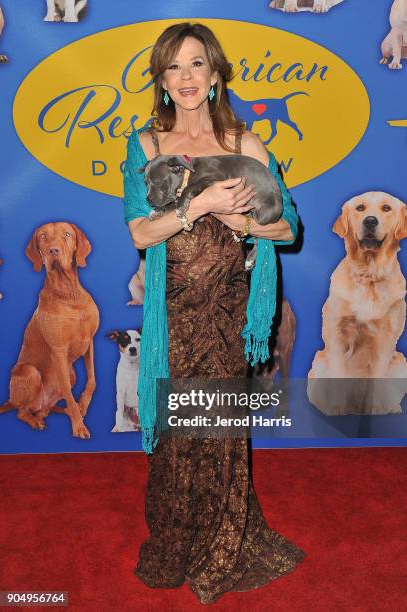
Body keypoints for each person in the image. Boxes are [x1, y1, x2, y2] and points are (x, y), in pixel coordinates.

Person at [123, 22, 306, 606]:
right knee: (179, 429)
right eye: (173, 67)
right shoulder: (146, 145)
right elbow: (139, 232)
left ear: (216, 72)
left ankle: (225, 535)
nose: (186, 79)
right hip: (172, 312)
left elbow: (288, 226)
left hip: (229, 312)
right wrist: (199, 203)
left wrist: (242, 222)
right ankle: (178, 535)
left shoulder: (246, 145)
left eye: (196, 65)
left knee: (220, 426)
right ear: (161, 78)